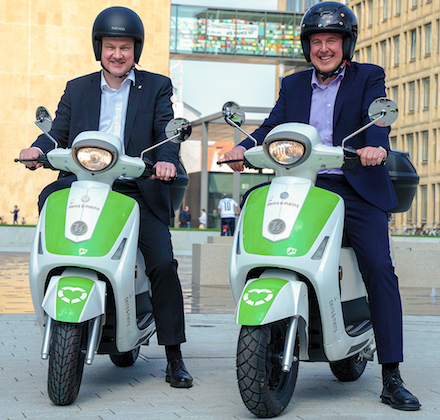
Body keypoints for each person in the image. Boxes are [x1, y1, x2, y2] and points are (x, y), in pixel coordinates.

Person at [223, 1, 420, 411]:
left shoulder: (368, 76)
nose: (324, 47)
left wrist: (374, 149)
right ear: (306, 46)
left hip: (353, 186)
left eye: (332, 39)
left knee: (379, 267)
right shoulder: (293, 85)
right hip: (299, 183)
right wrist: (242, 146)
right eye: (316, 40)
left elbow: (377, 120)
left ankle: (391, 374)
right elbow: (272, 125)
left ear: (345, 44)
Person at [19, 6, 192, 388]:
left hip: (135, 188)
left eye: (125, 47)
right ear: (99, 48)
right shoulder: (77, 88)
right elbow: (56, 134)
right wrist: (36, 149)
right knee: (51, 206)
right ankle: (60, 298)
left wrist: (164, 161)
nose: (118, 54)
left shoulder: (157, 86)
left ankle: (174, 356)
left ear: (136, 50)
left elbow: (167, 133)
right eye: (111, 46)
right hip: (82, 184)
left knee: (162, 263)